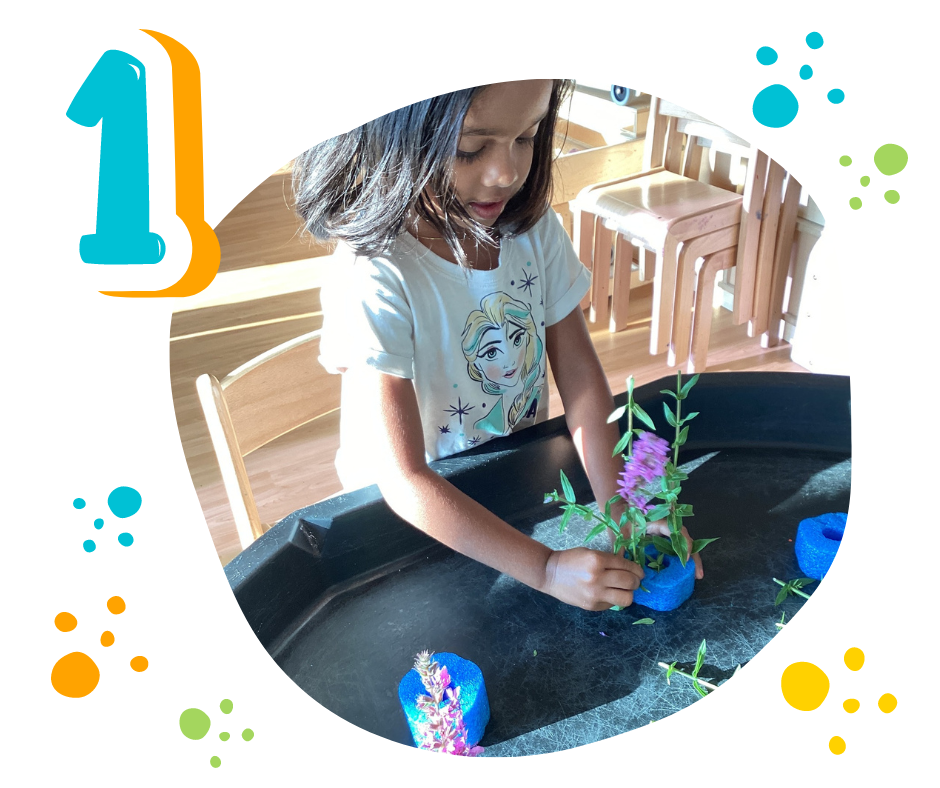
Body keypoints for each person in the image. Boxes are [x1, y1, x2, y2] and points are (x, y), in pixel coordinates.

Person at [292, 79, 702, 612]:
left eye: (527, 137)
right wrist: (547, 568)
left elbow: (580, 383)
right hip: (410, 522)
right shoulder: (375, 274)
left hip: (516, 483)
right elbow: (402, 478)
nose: (506, 172)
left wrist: (624, 508)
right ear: (388, 134)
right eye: (470, 148)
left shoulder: (532, 231)